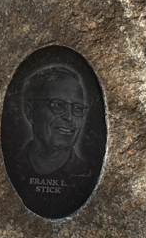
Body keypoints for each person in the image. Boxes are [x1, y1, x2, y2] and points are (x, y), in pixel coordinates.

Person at [7, 66, 96, 219]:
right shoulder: (10, 166)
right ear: (30, 111)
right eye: (58, 105)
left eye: (77, 108)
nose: (69, 117)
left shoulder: (87, 175)